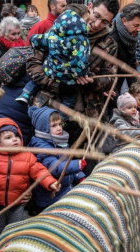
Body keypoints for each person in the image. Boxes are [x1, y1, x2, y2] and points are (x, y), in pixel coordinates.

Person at [26, 0, 119, 147]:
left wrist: (93, 82)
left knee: (81, 163)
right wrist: (58, 85)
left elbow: (110, 78)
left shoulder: (109, 44)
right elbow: (32, 65)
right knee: (50, 162)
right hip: (50, 109)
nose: (96, 24)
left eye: (104, 22)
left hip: (86, 116)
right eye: (96, 16)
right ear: (90, 8)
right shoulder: (59, 29)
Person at [0, 118, 60, 245]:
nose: (14, 139)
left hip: (18, 203)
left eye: (17, 136)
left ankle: (12, 249)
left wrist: (51, 183)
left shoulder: (27, 156)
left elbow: (40, 171)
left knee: (15, 229)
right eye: (8, 137)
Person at [17, 9, 90, 120]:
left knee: (33, 82)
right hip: (68, 79)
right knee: (69, 101)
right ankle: (62, 119)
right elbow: (81, 62)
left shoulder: (53, 36)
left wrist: (32, 39)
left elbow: (36, 40)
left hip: (50, 70)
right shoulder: (81, 41)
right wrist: (80, 74)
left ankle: (25, 94)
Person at [28, 106, 86, 210]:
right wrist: (77, 165)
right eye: (53, 125)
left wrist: (78, 175)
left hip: (65, 190)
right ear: (43, 128)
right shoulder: (41, 147)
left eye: (60, 124)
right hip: (50, 198)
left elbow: (67, 161)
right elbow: (54, 167)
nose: (59, 128)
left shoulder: (59, 141)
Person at [111, 3, 140, 94]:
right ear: (124, 21)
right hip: (109, 90)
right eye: (136, 26)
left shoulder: (131, 39)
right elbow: (109, 73)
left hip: (117, 88)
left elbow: (131, 67)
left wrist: (136, 93)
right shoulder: (112, 40)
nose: (139, 30)